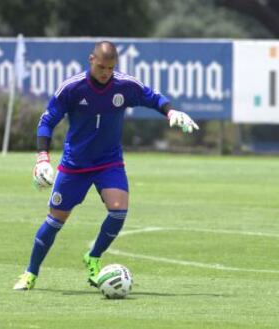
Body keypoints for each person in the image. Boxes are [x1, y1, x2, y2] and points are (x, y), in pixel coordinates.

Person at [13, 41, 199, 290]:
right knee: (56, 220)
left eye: (110, 68)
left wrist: (171, 112)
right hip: (75, 164)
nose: (105, 72)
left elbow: (152, 97)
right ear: (91, 59)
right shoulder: (72, 88)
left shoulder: (125, 85)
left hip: (109, 162)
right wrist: (42, 158)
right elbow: (46, 121)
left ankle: (93, 257)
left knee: (118, 210)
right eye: (101, 66)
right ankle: (30, 273)